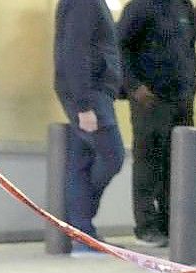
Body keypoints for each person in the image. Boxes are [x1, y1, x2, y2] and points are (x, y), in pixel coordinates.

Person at [118, 0, 196, 248]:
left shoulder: (184, 6)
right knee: (148, 165)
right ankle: (146, 227)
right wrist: (134, 86)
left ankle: (168, 224)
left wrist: (192, 83)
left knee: (174, 165)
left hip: (181, 100)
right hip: (150, 100)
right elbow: (120, 47)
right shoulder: (140, 6)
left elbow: (188, 48)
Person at [54, 0, 126, 257]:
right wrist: (84, 105)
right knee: (112, 156)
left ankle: (82, 232)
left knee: (82, 162)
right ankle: (81, 229)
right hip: (90, 93)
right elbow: (76, 50)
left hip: (94, 91)